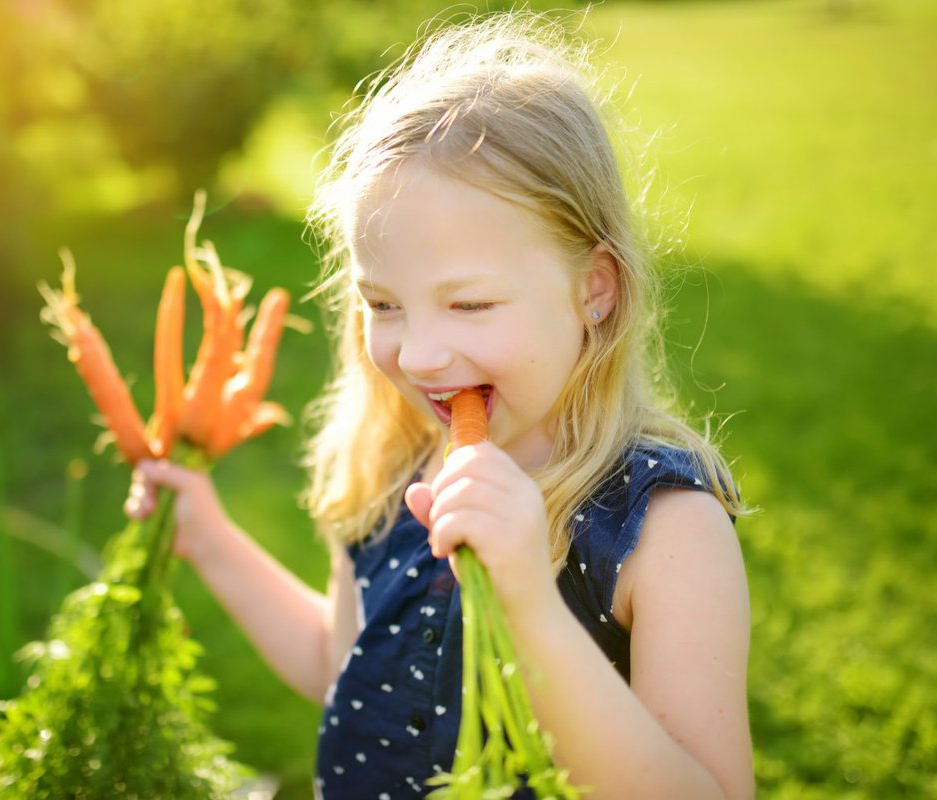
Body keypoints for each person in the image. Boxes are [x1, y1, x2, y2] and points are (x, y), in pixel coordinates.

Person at [126, 11, 754, 800]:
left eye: (469, 307)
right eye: (383, 304)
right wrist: (210, 541)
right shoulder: (395, 471)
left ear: (593, 289)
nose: (417, 355)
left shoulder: (660, 527)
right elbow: (343, 668)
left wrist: (528, 596)